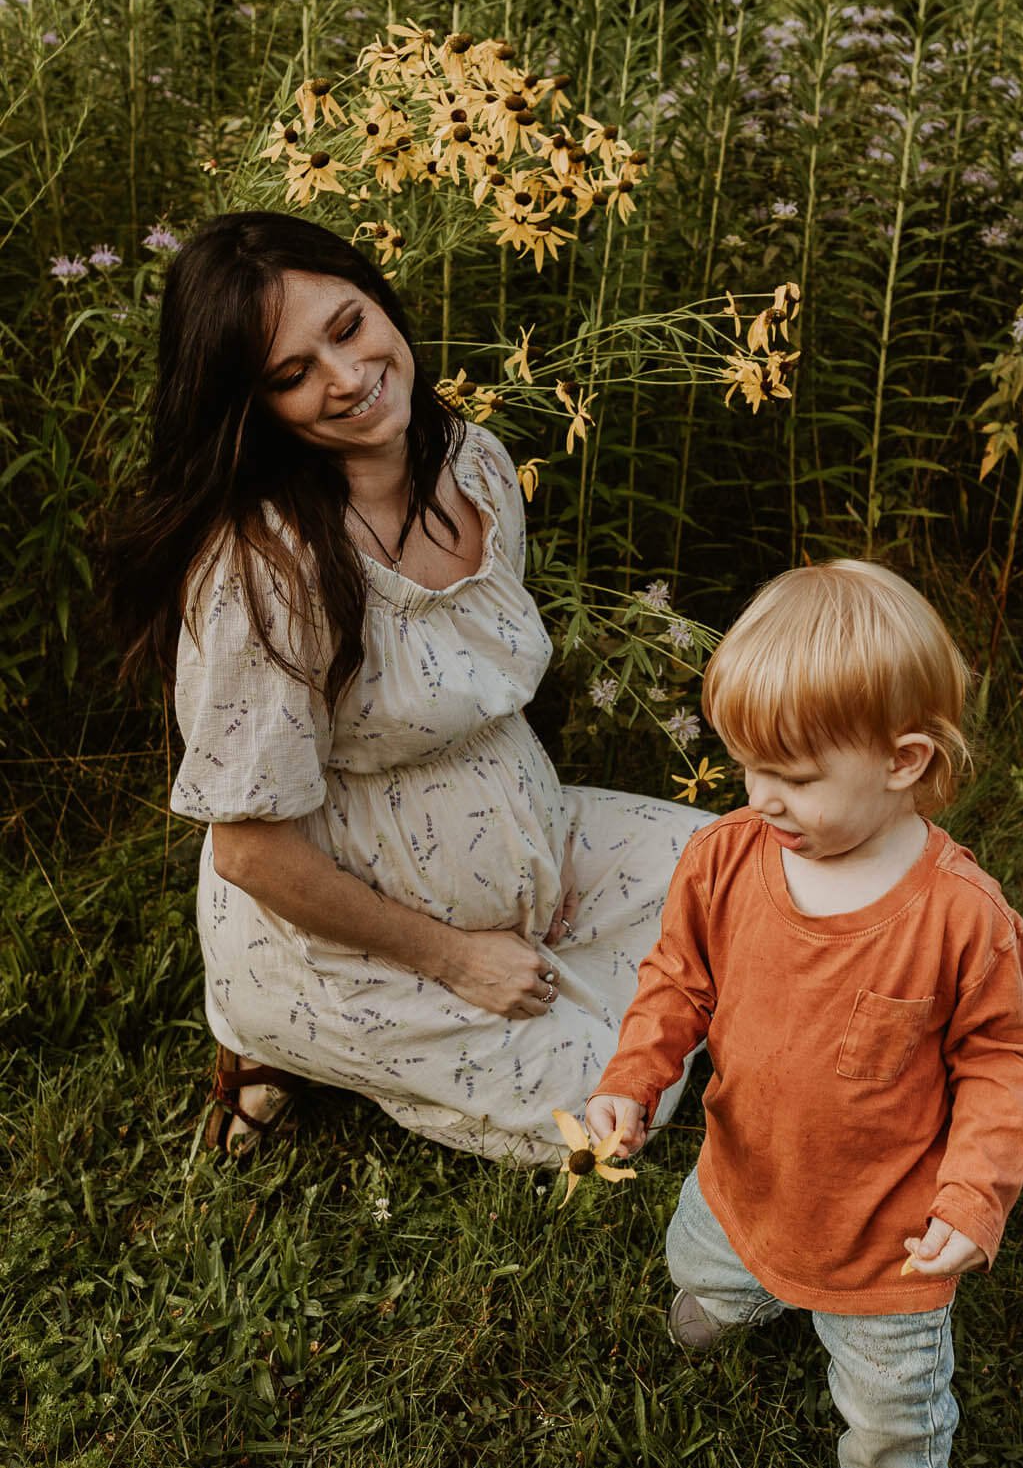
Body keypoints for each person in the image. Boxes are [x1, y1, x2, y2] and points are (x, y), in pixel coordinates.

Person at [112, 210, 707, 1157]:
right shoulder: (266, 567)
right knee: (601, 1123)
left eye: (346, 328)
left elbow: (470, 686)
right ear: (252, 405)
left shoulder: (470, 461)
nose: (346, 379)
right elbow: (250, 853)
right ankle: (278, 1038)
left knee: (741, 875)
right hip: (359, 934)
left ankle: (554, 957)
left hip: (525, 847)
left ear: (378, 300)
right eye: (291, 375)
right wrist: (459, 959)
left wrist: (527, 859)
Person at [584, 561, 1023, 1468]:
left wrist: (973, 1192)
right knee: (705, 1257)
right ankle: (735, 1287)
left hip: (884, 1240)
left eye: (790, 774)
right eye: (747, 766)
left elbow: (1001, 1062)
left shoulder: (959, 919)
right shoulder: (730, 858)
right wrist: (632, 1077)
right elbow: (675, 979)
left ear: (904, 762)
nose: (760, 797)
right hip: (744, 1177)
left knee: (892, 1413)